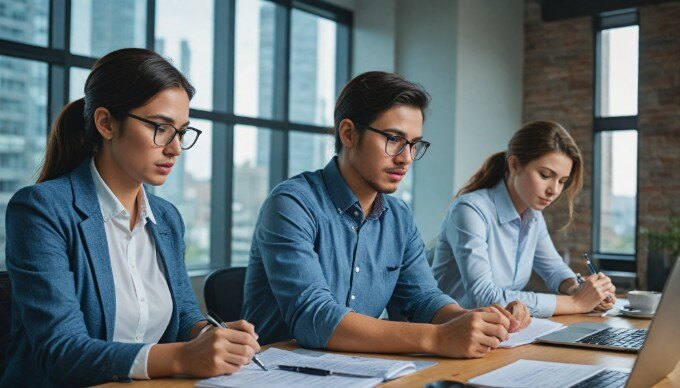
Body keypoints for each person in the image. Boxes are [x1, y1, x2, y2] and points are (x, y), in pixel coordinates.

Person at [1, 48, 260, 387]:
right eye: (160, 127)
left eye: (181, 131)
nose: (175, 148)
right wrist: (184, 356)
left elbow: (183, 316)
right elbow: (61, 351)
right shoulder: (41, 210)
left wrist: (213, 336)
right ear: (106, 123)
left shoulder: (166, 218)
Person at [242, 71, 532, 360]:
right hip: (279, 374)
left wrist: (473, 319)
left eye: (414, 144)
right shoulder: (292, 203)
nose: (406, 158)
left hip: (358, 371)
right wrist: (440, 337)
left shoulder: (398, 216)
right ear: (348, 133)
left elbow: (422, 300)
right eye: (394, 139)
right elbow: (315, 318)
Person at [431, 121, 616, 318]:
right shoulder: (470, 210)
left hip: (498, 332)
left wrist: (579, 290)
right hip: (448, 330)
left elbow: (554, 269)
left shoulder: (533, 216)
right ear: (514, 165)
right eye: (545, 175)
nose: (554, 190)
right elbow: (483, 296)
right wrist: (576, 303)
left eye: (562, 181)